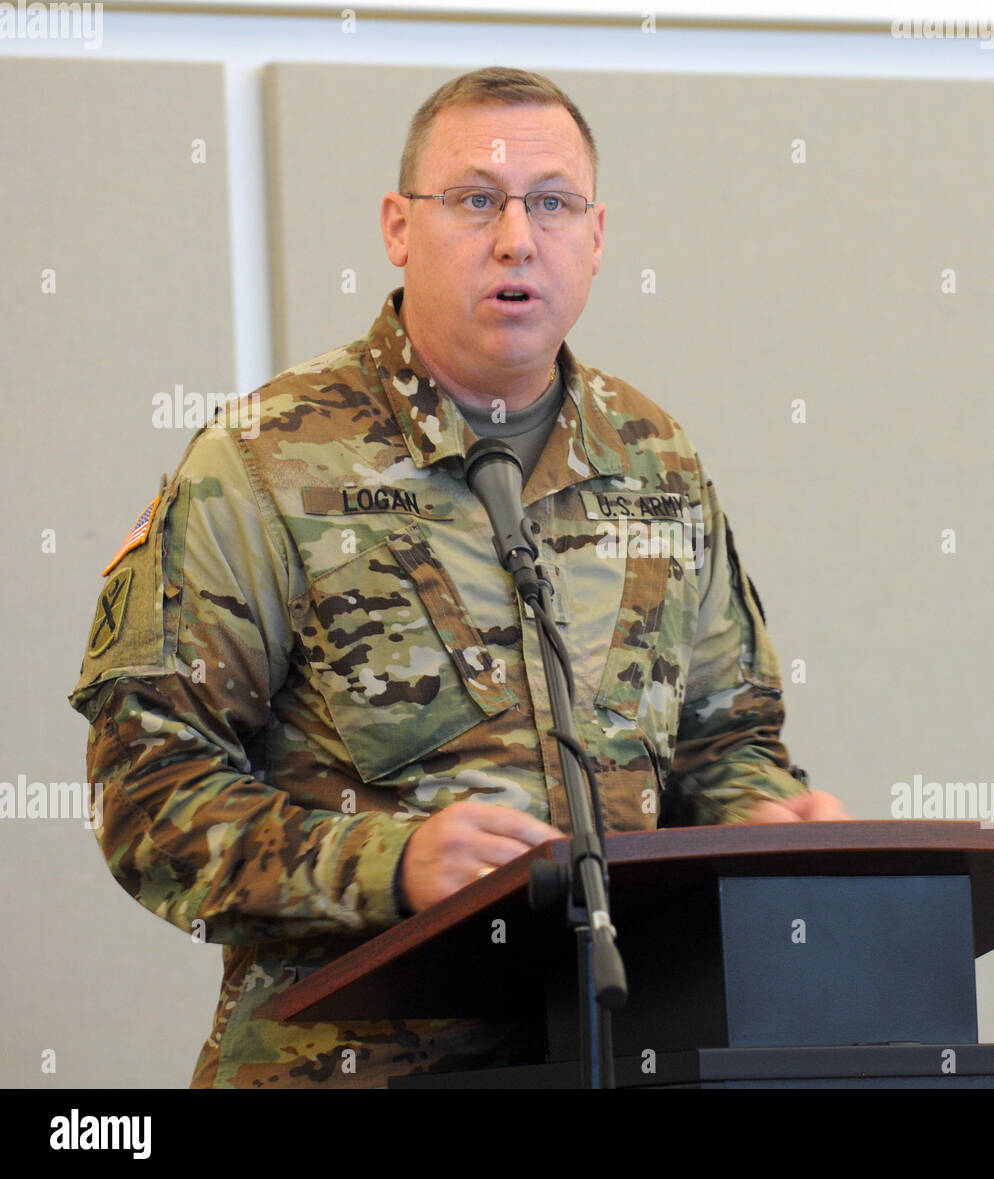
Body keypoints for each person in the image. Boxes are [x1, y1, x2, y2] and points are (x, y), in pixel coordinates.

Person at [69, 66, 847, 1089]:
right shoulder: (264, 463)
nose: (518, 237)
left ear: (598, 237)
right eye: (476, 199)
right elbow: (148, 797)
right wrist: (386, 866)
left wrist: (762, 823)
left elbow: (724, 741)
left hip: (624, 1056)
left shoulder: (655, 462)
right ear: (399, 226)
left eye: (552, 203)